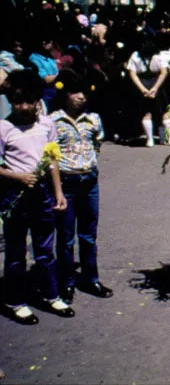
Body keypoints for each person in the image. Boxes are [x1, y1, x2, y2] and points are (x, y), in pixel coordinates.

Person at [0, 70, 73, 325]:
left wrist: (58, 192)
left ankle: (51, 295)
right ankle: (15, 301)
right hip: (15, 197)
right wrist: (17, 177)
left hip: (42, 195)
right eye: (17, 101)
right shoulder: (4, 128)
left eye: (28, 101)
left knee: (45, 250)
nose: (23, 107)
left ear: (37, 100)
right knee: (16, 253)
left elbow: (52, 160)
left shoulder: (45, 125)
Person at [50, 71, 113, 304]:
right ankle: (66, 282)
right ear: (65, 94)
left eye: (85, 93)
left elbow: (97, 144)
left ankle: (90, 278)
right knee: (66, 237)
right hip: (66, 184)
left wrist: (88, 165)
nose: (81, 97)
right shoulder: (53, 121)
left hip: (89, 182)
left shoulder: (93, 119)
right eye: (76, 92)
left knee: (88, 235)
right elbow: (50, 156)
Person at [126, 39, 168, 147]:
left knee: (146, 113)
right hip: (157, 82)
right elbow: (164, 72)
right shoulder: (159, 55)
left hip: (142, 83)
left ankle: (150, 140)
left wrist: (142, 89)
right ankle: (165, 139)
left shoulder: (135, 55)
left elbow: (132, 73)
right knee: (163, 111)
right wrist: (155, 88)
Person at [28, 34, 61, 113]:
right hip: (46, 95)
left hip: (56, 92)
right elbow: (46, 80)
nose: (51, 44)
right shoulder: (34, 59)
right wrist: (62, 74)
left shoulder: (49, 57)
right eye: (49, 42)